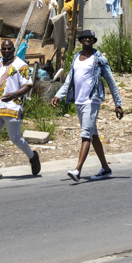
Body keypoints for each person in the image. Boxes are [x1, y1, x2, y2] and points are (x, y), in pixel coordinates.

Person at [51, 29, 124, 181]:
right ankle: (105, 168)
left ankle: (77, 170)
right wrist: (59, 95)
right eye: (85, 38)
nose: (88, 40)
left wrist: (118, 103)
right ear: (81, 40)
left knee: (85, 134)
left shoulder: (99, 59)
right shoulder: (77, 57)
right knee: (93, 134)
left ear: (93, 41)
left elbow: (110, 81)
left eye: (91, 38)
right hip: (79, 100)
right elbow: (69, 79)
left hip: (92, 100)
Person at [0, 37, 41, 182]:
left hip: (12, 107)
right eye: (4, 49)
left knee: (15, 139)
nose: (7, 51)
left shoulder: (21, 65)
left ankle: (33, 157)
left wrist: (14, 95)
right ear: (0, 50)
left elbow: (28, 85)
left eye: (9, 48)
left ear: (13, 50)